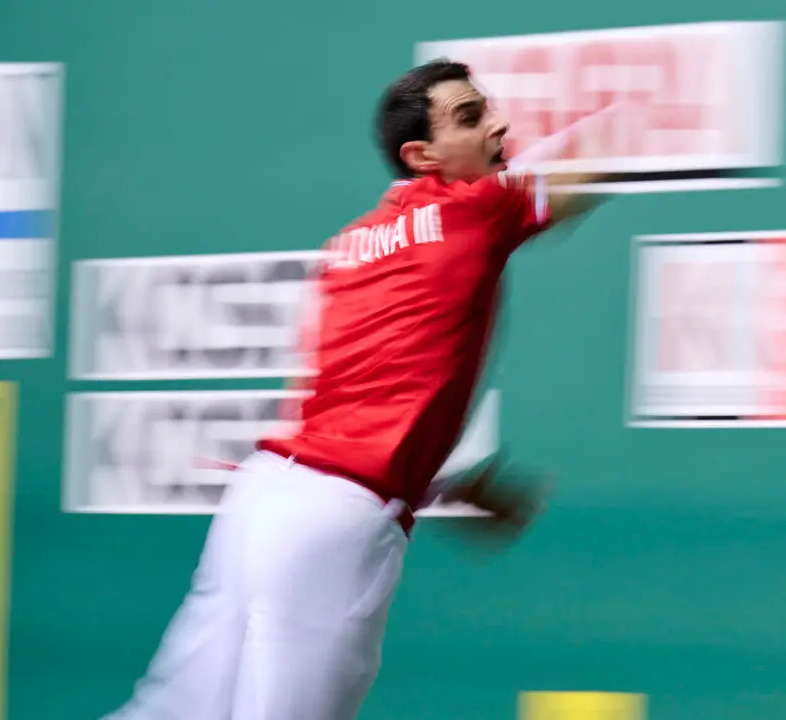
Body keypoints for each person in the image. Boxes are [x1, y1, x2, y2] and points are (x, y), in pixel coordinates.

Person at [105, 58, 612, 719]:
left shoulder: (349, 246)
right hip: (332, 527)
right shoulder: (477, 206)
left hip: (259, 507)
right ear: (421, 154)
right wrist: (631, 121)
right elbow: (589, 172)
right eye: (471, 117)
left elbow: (348, 417)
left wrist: (444, 482)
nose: (498, 123)